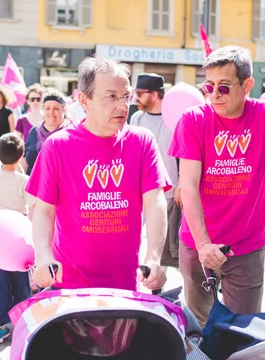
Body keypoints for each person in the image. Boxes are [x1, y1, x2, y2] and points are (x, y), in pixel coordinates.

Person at [168, 46, 265, 326]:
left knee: (246, 329)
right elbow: (187, 184)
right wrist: (203, 244)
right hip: (199, 245)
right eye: (208, 86)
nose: (214, 95)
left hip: (247, 245)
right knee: (200, 326)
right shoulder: (193, 119)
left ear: (247, 85)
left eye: (223, 87)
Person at [28, 57, 170, 292]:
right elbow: (43, 211)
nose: (123, 106)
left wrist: (154, 257)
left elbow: (155, 203)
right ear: (85, 100)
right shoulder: (57, 146)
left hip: (125, 284)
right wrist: (43, 256)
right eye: (112, 96)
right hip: (70, 284)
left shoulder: (142, 141)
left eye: (126, 96)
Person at [0, 133, 34, 343]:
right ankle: (23, 322)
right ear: (21, 155)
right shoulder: (25, 181)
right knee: (21, 282)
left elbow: (3, 163)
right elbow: (33, 210)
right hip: (18, 235)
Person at [130, 73, 181, 263]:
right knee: (138, 245)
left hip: (167, 194)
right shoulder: (136, 118)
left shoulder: (173, 119)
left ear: (154, 94)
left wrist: (180, 184)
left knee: (163, 249)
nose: (136, 97)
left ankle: (157, 288)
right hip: (138, 192)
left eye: (140, 93)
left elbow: (183, 155)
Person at [24, 89, 70, 174]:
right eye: (47, 108)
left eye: (56, 108)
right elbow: (25, 161)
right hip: (36, 184)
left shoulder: (71, 134)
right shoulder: (35, 132)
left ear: (64, 110)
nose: (51, 112)